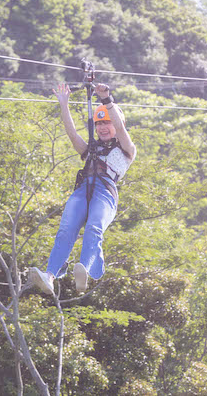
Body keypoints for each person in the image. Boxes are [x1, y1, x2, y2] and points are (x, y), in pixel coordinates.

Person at [29, 83, 136, 295]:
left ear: (116, 125)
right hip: (82, 191)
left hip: (104, 192)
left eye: (107, 123)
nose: (103, 127)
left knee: (94, 228)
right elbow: (71, 134)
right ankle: (50, 275)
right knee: (66, 230)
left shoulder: (126, 148)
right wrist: (64, 104)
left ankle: (85, 268)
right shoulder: (90, 149)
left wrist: (106, 99)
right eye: (99, 124)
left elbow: (121, 128)